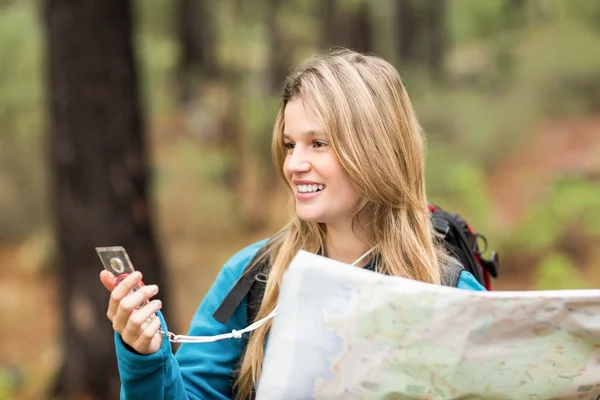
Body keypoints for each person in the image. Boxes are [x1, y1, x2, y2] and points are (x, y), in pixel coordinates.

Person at [99, 49, 485, 400]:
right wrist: (146, 357)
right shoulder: (251, 278)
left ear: (377, 150)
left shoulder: (446, 290)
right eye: (289, 144)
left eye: (318, 143)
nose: (294, 164)